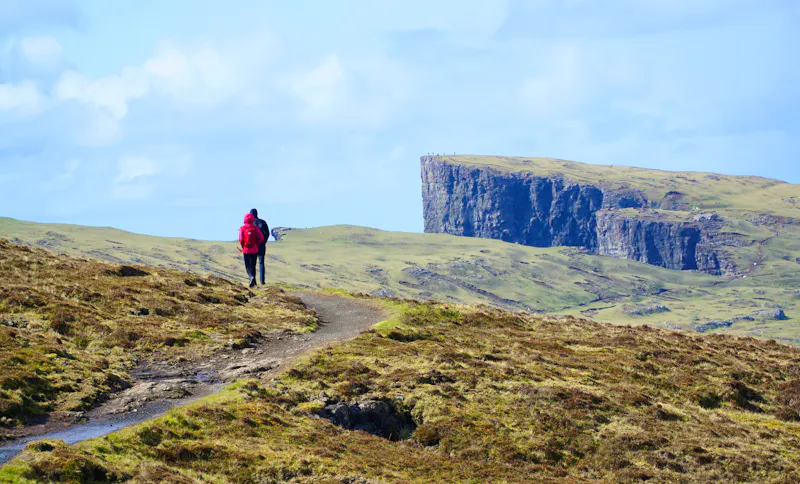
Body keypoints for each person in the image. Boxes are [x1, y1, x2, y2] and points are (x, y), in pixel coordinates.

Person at [239, 212, 264, 287]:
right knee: (253, 265)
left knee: (248, 267)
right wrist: (256, 244)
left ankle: (251, 277)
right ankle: (254, 282)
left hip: (246, 250)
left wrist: (243, 246)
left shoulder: (242, 228)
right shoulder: (255, 228)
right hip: (254, 249)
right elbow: (261, 238)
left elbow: (240, 239)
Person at [249, 208, 270, 285]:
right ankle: (262, 281)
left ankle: (253, 280)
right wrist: (264, 242)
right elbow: (267, 233)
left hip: (253, 245)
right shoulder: (263, 222)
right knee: (261, 263)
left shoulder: (250, 223)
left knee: (253, 263)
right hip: (261, 245)